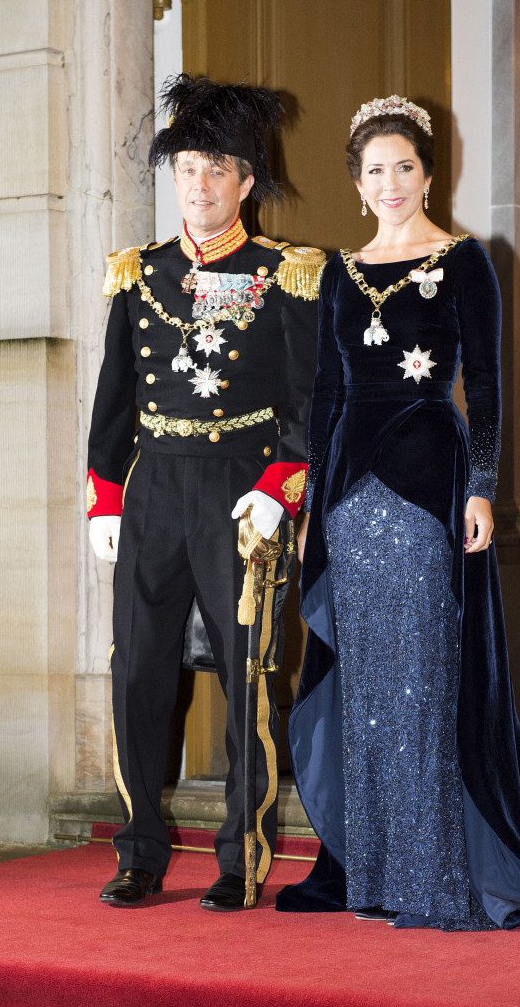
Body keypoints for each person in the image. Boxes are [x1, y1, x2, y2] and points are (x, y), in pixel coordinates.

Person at [275, 96, 520, 929]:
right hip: (350, 498)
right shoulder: (337, 272)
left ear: (428, 174)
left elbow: (491, 387)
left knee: (424, 679)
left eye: (404, 166)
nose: (390, 182)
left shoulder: (467, 260)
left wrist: (481, 486)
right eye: (373, 170)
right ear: (357, 185)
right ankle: (377, 872)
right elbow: (325, 394)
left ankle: (436, 875)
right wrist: (308, 500)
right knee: (364, 688)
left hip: (430, 478)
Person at [86, 75, 323, 910]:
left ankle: (240, 855)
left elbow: (305, 405)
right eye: (188, 167)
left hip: (240, 494)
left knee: (246, 675)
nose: (200, 183)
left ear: (247, 181)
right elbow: (114, 400)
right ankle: (140, 852)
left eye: (218, 168)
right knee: (138, 672)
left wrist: (277, 487)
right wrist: (104, 496)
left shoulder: (286, 275)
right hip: (153, 491)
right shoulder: (137, 274)